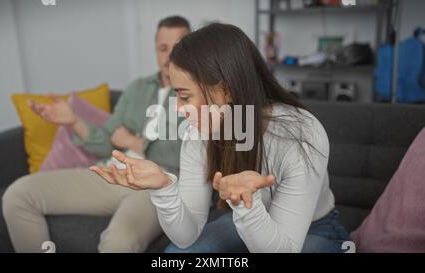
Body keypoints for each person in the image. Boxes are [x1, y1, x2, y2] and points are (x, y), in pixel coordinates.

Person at [91, 23, 350, 253]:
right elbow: (185, 237)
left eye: (184, 96)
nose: (178, 109)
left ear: (224, 91)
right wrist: (163, 188)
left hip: (314, 229)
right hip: (241, 219)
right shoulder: (197, 132)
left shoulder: (301, 135)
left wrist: (247, 206)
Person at [2, 16, 190, 253]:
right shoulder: (137, 89)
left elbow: (184, 156)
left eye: (179, 47)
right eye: (163, 48)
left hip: (157, 184)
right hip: (112, 172)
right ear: (155, 51)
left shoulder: (199, 94)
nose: (170, 55)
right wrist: (73, 121)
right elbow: (108, 143)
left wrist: (133, 141)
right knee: (18, 196)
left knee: (117, 243)